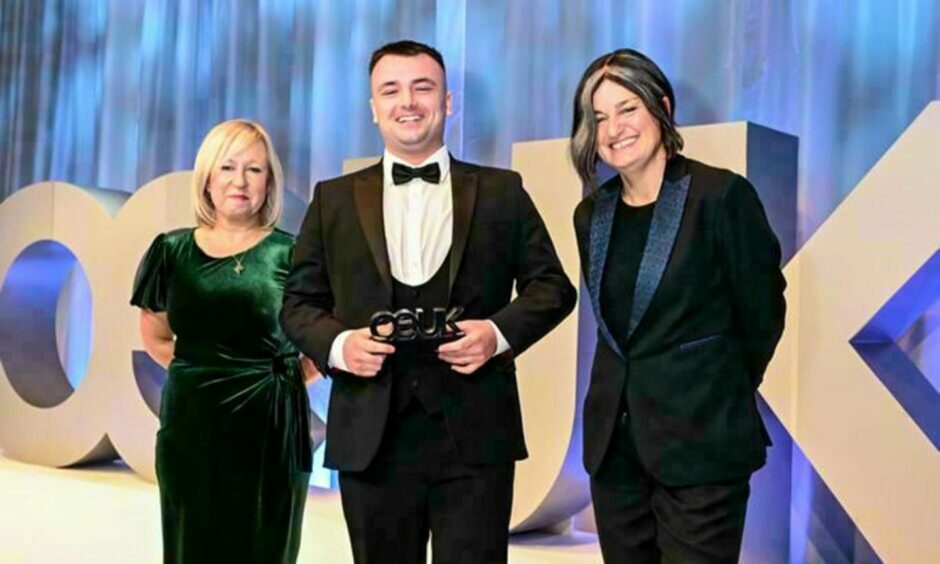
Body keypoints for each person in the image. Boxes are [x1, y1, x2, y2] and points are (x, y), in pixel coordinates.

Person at [280, 40, 576, 563]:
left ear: (448, 101)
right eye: (390, 90)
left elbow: (552, 288)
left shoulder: (503, 192)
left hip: (476, 433)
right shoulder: (333, 199)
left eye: (423, 87)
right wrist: (341, 345)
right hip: (369, 436)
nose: (407, 101)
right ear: (373, 107)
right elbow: (298, 304)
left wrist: (497, 335)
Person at [570, 49, 786, 563]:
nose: (613, 129)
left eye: (627, 109)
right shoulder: (590, 214)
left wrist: (714, 390)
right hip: (615, 457)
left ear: (661, 107)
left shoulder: (720, 196)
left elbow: (762, 314)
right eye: (598, 117)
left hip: (703, 449)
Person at [131, 118, 318, 563]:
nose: (240, 181)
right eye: (228, 167)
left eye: (254, 170)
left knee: (263, 546)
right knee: (191, 543)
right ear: (207, 179)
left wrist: (271, 382)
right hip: (190, 425)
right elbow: (156, 336)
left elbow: (318, 346)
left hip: (271, 429)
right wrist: (208, 373)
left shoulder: (293, 253)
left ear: (269, 182)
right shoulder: (170, 251)